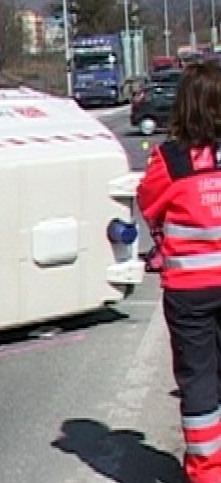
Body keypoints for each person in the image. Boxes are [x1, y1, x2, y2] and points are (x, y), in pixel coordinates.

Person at [137, 61, 221, 483]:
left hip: (191, 290)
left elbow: (148, 203)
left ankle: (207, 471)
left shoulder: (170, 159)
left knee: (199, 381)